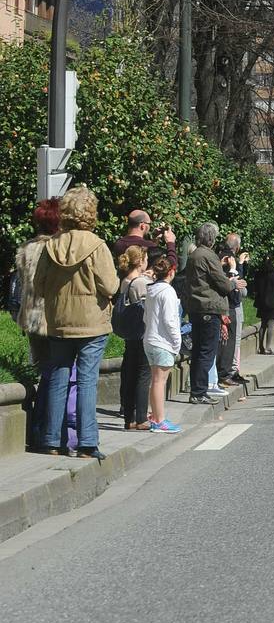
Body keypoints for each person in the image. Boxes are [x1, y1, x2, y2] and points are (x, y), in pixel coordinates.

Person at [33, 186, 119, 459]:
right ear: (91, 213)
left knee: (58, 378)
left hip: (59, 321)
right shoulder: (97, 245)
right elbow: (111, 286)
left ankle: (51, 441)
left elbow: (38, 285)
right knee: (86, 381)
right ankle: (86, 443)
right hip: (92, 323)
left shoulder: (51, 246)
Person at [12, 198, 62, 449]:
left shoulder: (26, 249)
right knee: (57, 376)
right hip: (53, 317)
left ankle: (37, 428)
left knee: (43, 372)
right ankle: (47, 430)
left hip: (31, 317)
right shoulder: (59, 247)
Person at [182, 222, 242, 404]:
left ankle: (197, 391)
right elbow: (222, 283)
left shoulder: (194, 254)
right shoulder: (208, 255)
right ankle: (199, 391)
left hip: (196, 307)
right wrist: (234, 283)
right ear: (211, 238)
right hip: (209, 308)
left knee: (199, 351)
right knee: (207, 351)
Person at [142, 253, 183, 433]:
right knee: (160, 381)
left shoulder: (151, 290)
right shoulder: (168, 292)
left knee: (155, 380)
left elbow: (145, 316)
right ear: (171, 272)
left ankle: (155, 415)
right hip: (163, 341)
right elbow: (170, 320)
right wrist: (177, 341)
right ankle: (159, 420)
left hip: (149, 339)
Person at [115, 245, 153, 430]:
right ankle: (141, 417)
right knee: (143, 375)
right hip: (142, 332)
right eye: (146, 259)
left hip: (130, 334)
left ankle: (129, 417)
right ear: (140, 261)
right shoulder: (140, 283)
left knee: (129, 374)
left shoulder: (125, 280)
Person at [217, 232, 247, 385]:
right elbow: (236, 282)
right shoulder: (230, 260)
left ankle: (224, 371)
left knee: (224, 340)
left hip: (221, 302)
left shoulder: (219, 256)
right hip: (230, 303)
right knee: (230, 340)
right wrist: (238, 267)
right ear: (237, 247)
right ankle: (225, 373)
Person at [112, 209, 178, 268]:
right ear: (142, 226)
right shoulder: (148, 246)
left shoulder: (118, 244)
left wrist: (155, 240)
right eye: (149, 224)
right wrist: (170, 243)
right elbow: (170, 266)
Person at [251, 255, 274, 355]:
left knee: (263, 324)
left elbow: (255, 288)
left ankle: (261, 347)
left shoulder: (258, 274)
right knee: (271, 325)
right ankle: (268, 347)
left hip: (262, 302)